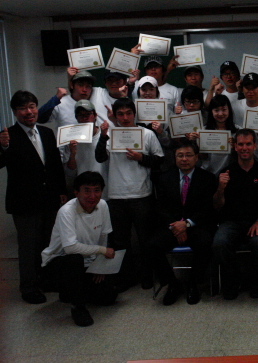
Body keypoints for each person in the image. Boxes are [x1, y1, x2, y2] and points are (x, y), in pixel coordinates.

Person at [0, 90, 67, 304]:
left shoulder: (47, 133)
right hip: (24, 203)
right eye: (23, 108)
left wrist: (62, 191)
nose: (29, 112)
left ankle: (47, 280)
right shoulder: (7, 135)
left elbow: (55, 166)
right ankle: (29, 287)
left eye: (32, 106)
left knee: (49, 243)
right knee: (28, 247)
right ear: (15, 112)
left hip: (49, 199)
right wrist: (3, 146)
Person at [95, 98, 165, 290]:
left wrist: (141, 158)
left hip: (142, 194)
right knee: (120, 241)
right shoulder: (110, 134)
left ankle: (147, 276)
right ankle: (126, 277)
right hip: (116, 196)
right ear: (115, 116)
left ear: (134, 114)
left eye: (128, 113)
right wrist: (103, 136)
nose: (125, 118)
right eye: (120, 114)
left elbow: (160, 160)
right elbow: (100, 158)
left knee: (145, 239)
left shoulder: (147, 134)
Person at [41, 171, 117, 327]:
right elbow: (70, 248)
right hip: (59, 263)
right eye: (86, 191)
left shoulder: (103, 205)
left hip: (88, 262)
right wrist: (101, 251)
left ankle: (72, 292)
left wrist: (100, 266)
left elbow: (104, 237)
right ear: (76, 193)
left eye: (97, 190)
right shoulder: (66, 211)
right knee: (74, 259)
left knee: (109, 297)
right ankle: (78, 307)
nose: (92, 196)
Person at [148, 139, 218, 305]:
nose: (184, 159)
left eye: (188, 155)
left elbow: (208, 208)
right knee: (152, 246)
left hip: (196, 225)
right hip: (172, 226)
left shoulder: (207, 178)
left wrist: (186, 224)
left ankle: (194, 283)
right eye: (180, 155)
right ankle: (173, 284)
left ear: (196, 157)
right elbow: (160, 207)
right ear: (174, 158)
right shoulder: (164, 178)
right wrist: (175, 226)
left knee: (205, 243)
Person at [212, 129, 258, 299]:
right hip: (231, 222)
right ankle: (233, 281)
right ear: (235, 147)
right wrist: (220, 189)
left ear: (255, 146)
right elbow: (217, 206)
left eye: (248, 144)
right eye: (240, 144)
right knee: (219, 243)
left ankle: (256, 281)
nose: (244, 148)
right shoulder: (226, 172)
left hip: (257, 221)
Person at [60, 100, 111, 198]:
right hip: (82, 193)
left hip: (105, 191)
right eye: (81, 115)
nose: (85, 118)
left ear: (95, 115)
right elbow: (70, 173)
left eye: (88, 114)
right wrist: (72, 154)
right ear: (76, 117)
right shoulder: (71, 139)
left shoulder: (106, 135)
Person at [200, 94, 239, 176]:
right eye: (216, 110)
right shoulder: (203, 131)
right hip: (207, 173)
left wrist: (235, 147)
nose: (220, 114)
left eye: (224, 110)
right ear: (211, 112)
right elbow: (202, 157)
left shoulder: (237, 131)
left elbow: (240, 157)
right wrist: (197, 143)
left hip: (229, 174)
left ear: (229, 110)